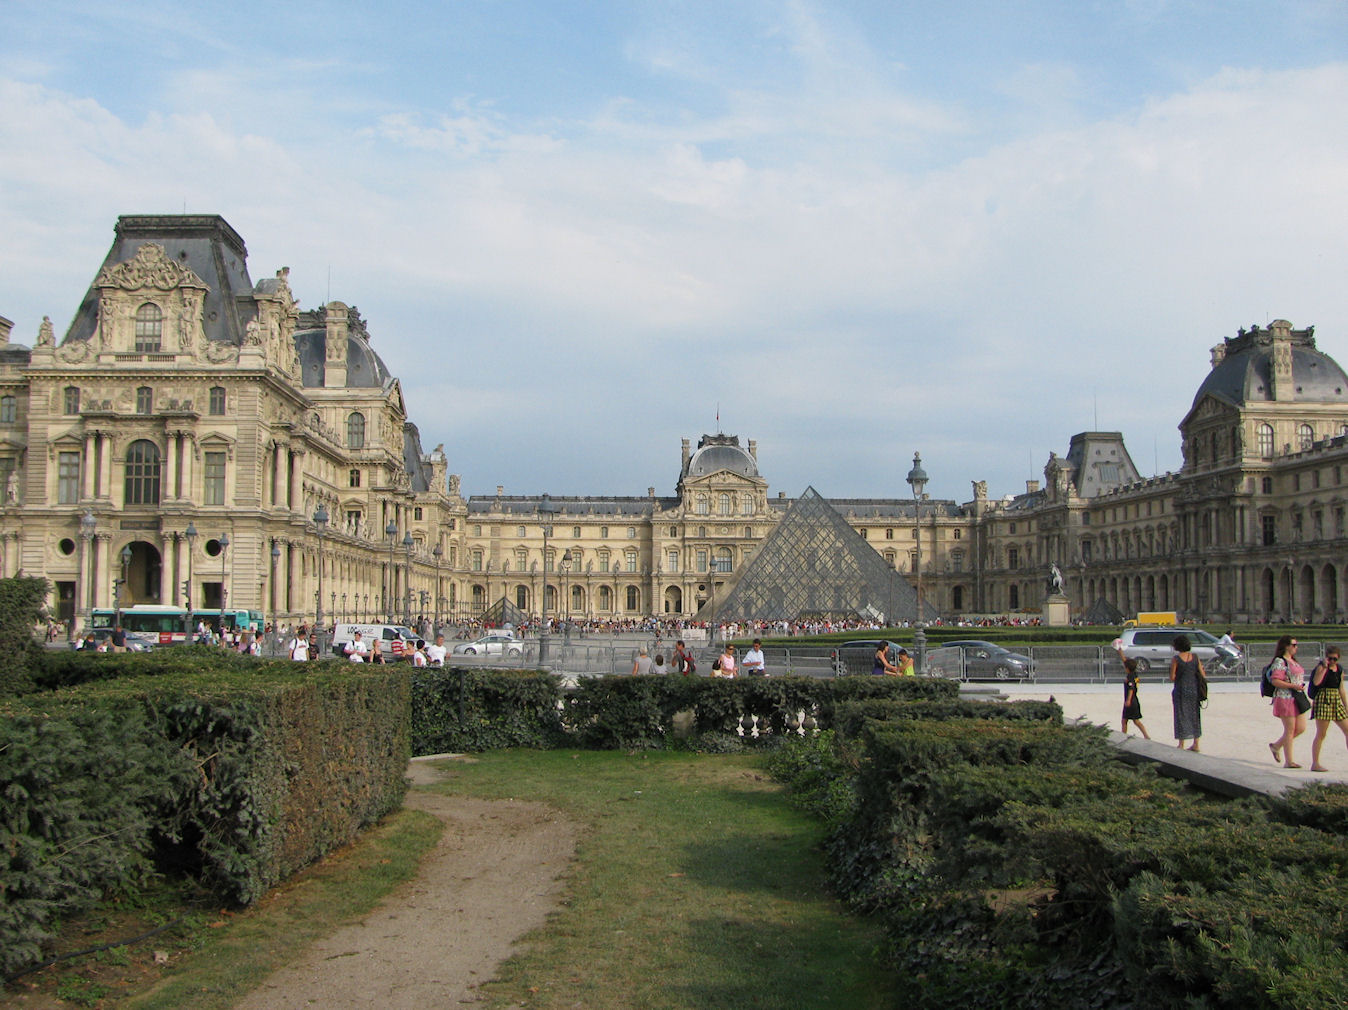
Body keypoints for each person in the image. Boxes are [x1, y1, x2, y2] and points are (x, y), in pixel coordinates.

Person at [1268, 635, 1309, 768]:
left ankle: (1276, 746)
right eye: (1294, 645)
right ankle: (1289, 761)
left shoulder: (1293, 661)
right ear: (1286, 646)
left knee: (1301, 728)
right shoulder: (1280, 661)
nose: (1296, 647)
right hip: (1285, 698)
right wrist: (1293, 686)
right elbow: (1275, 680)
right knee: (1289, 730)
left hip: (1297, 697)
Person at [1309, 646, 1347, 772]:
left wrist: (1346, 705)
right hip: (1323, 699)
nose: (1332, 661)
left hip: (1335, 699)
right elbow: (1316, 682)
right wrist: (1324, 667)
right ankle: (1315, 763)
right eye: (1330, 658)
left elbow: (1341, 688)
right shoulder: (1321, 667)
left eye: (1334, 659)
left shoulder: (1339, 669)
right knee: (1321, 733)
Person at [1168, 634, 1204, 752]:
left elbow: (1172, 677)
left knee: (1181, 715)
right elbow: (1202, 674)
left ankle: (1181, 743)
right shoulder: (1195, 657)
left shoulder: (1176, 659)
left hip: (1181, 689)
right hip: (1194, 689)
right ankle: (1196, 743)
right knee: (1194, 715)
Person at [1116, 646, 1150, 739]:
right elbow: (1125, 661)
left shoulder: (1130, 676)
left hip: (1131, 701)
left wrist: (1128, 700)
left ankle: (1145, 736)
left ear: (1127, 668)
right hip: (1134, 700)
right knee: (1126, 720)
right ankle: (1143, 736)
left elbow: (1131, 688)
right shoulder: (1134, 673)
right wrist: (1120, 651)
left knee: (1133, 721)